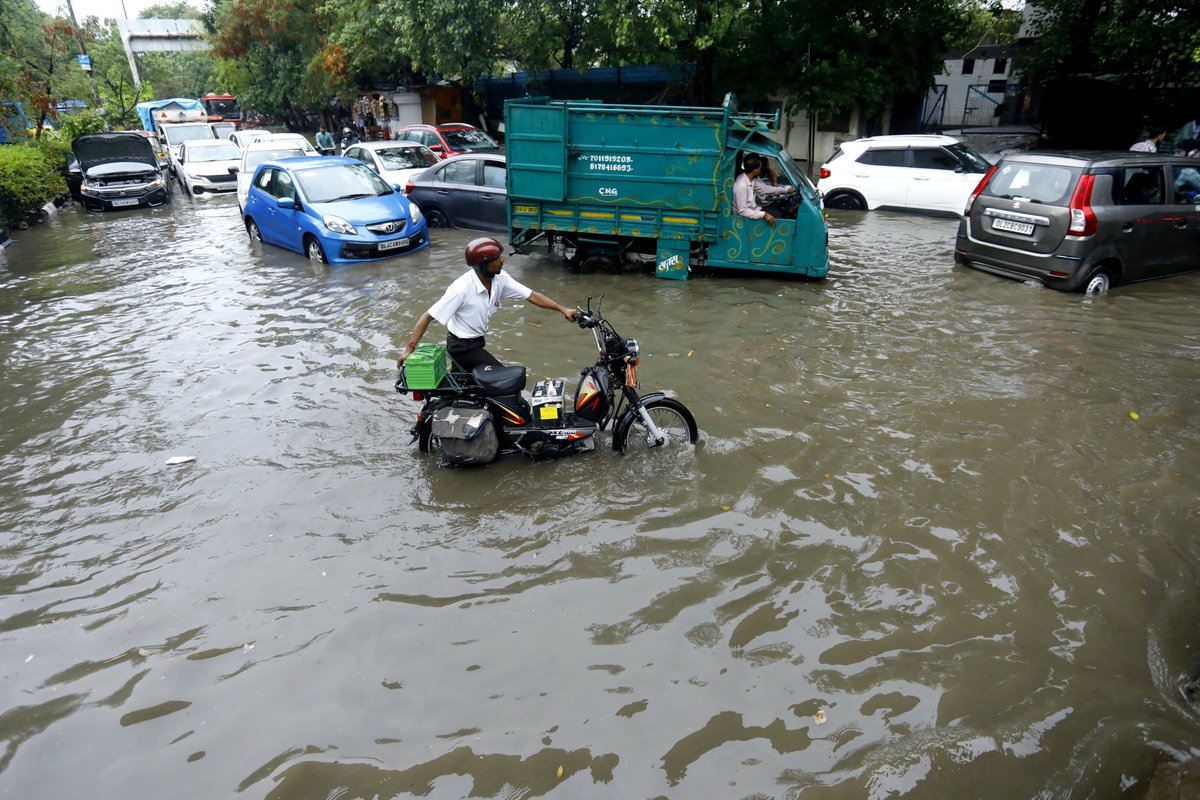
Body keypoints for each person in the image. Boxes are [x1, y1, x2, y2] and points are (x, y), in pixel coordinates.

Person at [398, 237, 577, 371]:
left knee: (468, 387)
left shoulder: (499, 279)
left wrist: (563, 309)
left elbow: (532, 296)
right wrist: (409, 350)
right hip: (462, 347)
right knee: (505, 380)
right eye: (497, 258)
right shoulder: (460, 289)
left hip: (476, 343)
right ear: (483, 264)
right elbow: (427, 317)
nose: (502, 260)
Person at [733, 154, 776, 225]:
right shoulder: (742, 185)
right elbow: (742, 211)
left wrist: (786, 190)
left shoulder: (750, 180)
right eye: (759, 168)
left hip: (754, 209)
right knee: (777, 214)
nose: (760, 171)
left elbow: (765, 189)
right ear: (755, 171)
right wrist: (764, 214)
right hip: (746, 217)